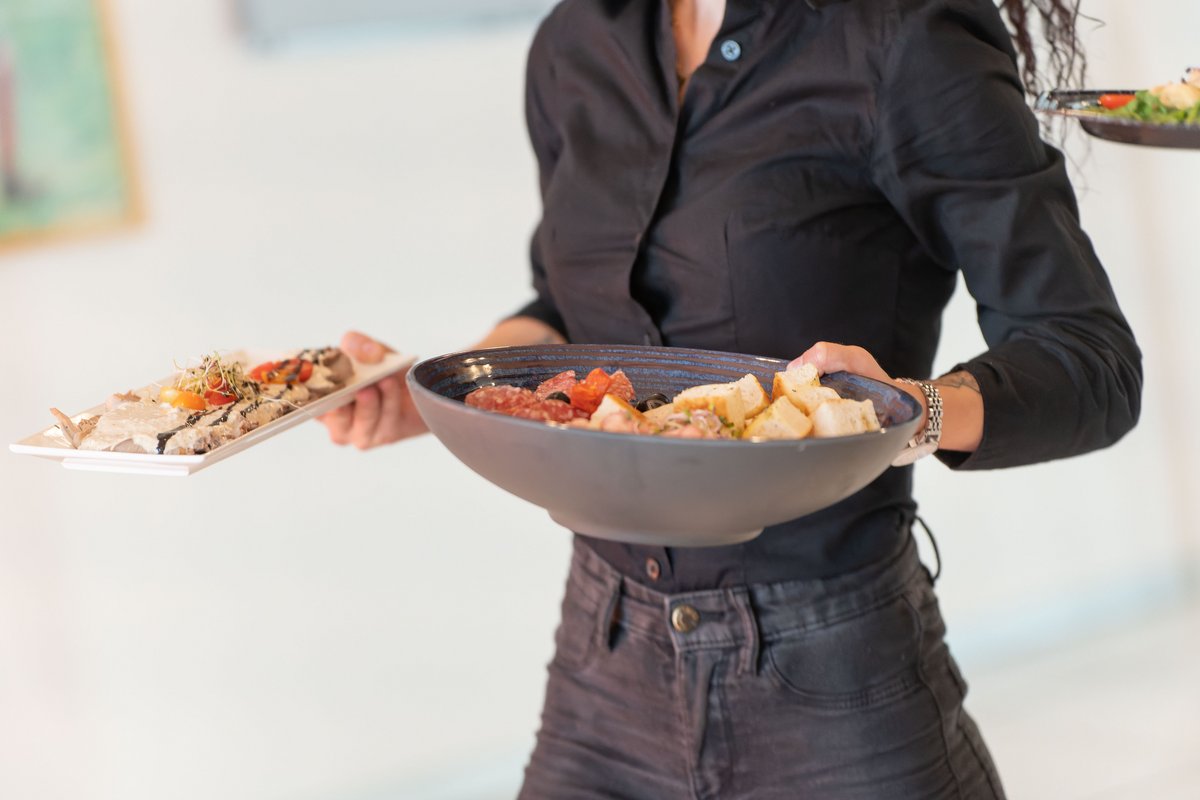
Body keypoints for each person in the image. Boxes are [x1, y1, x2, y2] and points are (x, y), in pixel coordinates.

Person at [320, 0, 1142, 796]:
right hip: (602, 656)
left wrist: (901, 413)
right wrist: (443, 394)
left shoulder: (907, 35)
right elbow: (566, 311)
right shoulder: (577, 40)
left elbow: (1089, 359)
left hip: (832, 668)